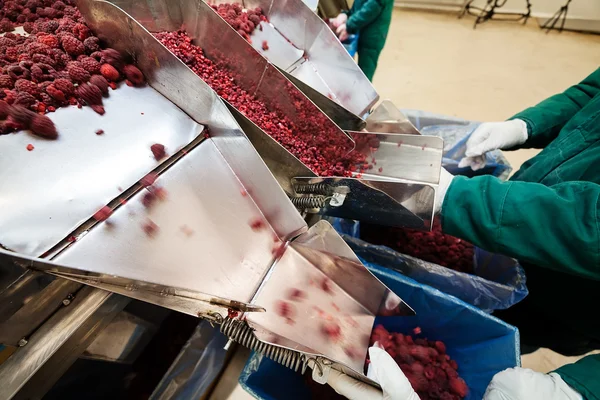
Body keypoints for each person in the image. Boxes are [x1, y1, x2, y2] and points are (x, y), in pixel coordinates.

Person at [327, 68, 600, 399]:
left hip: (577, 297)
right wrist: (528, 125)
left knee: (498, 331)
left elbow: (590, 221)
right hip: (514, 223)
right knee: (471, 314)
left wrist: (578, 389)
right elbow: (591, 91)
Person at [329, 0, 394, 81]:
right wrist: (346, 14)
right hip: (361, 30)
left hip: (372, 37)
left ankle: (363, 93)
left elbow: (372, 7)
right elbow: (361, 3)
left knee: (365, 76)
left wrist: (349, 25)